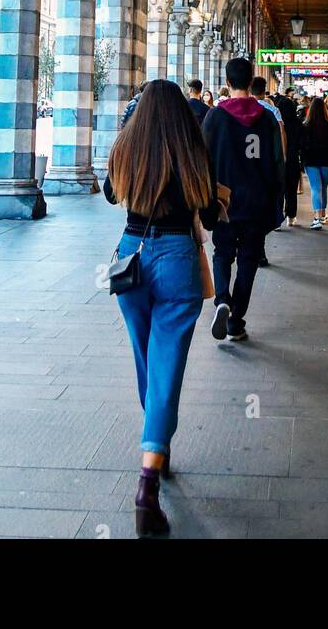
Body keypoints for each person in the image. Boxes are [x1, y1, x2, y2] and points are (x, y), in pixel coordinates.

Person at [104, 79, 220, 537]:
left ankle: (158, 441)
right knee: (167, 365)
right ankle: (148, 479)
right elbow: (208, 213)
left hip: (129, 255)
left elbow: (113, 195)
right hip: (176, 256)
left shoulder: (126, 146)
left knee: (146, 359)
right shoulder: (192, 148)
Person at [202, 58, 284, 341]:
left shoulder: (214, 117)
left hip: (225, 201)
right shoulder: (268, 118)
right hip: (257, 202)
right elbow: (277, 161)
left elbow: (203, 160)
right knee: (249, 260)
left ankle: (222, 298)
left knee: (223, 252)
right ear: (252, 81)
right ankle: (236, 321)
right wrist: (277, 200)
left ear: (227, 82)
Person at [250, 76, 287, 264]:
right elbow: (280, 135)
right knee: (260, 211)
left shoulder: (230, 110)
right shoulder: (272, 111)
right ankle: (260, 252)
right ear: (265, 91)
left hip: (242, 167)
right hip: (264, 167)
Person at [299, 94, 328, 228]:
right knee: (323, 187)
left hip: (311, 161)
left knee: (316, 188)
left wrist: (302, 163)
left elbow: (302, 146)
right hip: (327, 161)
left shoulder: (305, 125)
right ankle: (323, 214)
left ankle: (317, 218)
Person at [273, 83, 303, 226]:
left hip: (278, 160)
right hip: (293, 159)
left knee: (278, 190)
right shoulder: (298, 124)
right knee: (291, 190)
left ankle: (278, 218)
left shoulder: (275, 124)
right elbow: (302, 143)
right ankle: (291, 217)